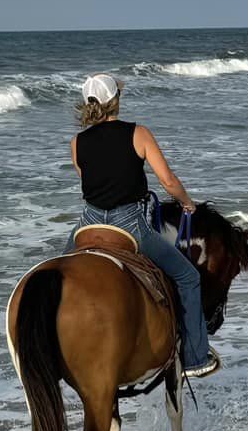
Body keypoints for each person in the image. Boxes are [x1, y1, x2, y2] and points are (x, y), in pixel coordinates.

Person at [69, 74, 221, 377]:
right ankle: (194, 358)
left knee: (61, 269)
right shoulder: (138, 133)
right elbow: (168, 181)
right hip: (129, 224)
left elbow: (88, 180)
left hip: (88, 221)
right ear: (116, 101)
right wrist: (187, 203)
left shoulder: (77, 142)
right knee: (188, 277)